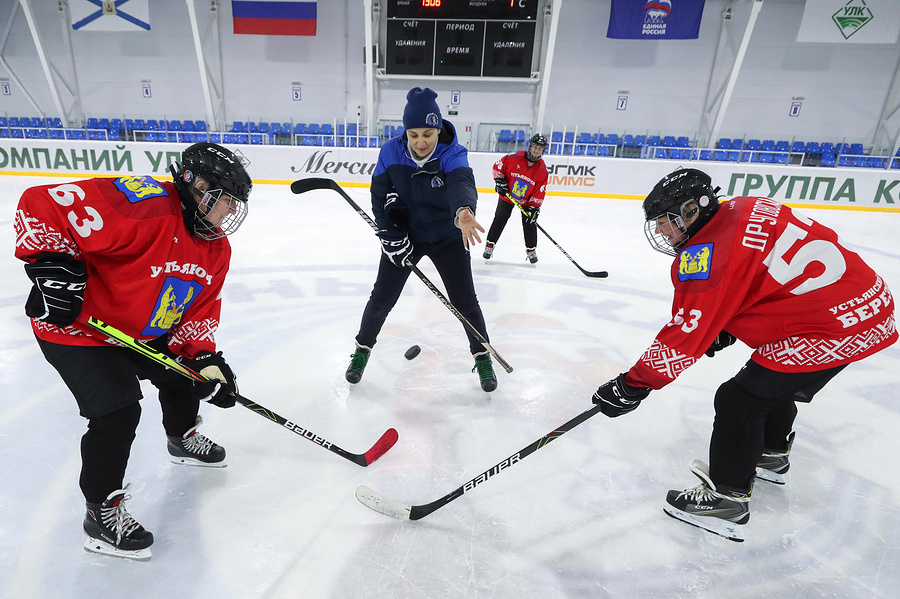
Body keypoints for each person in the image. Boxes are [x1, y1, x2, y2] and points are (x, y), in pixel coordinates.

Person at [591, 167, 896, 542]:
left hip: (832, 326)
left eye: (666, 222)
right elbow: (764, 273)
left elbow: (684, 336)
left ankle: (727, 500)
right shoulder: (743, 206)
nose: (661, 232)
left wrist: (632, 385)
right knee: (769, 381)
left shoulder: (704, 258)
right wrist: (728, 325)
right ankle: (769, 453)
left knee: (740, 400)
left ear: (692, 210)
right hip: (866, 308)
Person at [14, 142, 252, 560]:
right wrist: (52, 264)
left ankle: (182, 437)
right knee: (119, 411)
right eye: (226, 200)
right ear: (197, 186)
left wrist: (204, 359)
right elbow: (41, 203)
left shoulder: (216, 249)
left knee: (185, 375)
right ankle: (100, 513)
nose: (230, 211)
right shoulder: (143, 204)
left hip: (137, 329)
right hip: (77, 328)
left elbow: (198, 310)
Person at [345, 87, 497, 392]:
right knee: (381, 299)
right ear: (406, 132)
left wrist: (464, 212)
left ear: (438, 129)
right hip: (406, 237)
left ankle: (482, 357)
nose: (421, 141)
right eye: (413, 134)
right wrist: (389, 236)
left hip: (447, 236)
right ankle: (361, 351)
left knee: (465, 301)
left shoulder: (453, 153)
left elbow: (461, 184)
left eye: (428, 133)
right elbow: (379, 197)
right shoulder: (390, 152)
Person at [483, 134, 549, 264]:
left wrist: (534, 208)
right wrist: (500, 182)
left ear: (543, 151)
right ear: (530, 146)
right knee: (500, 217)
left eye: (540, 149)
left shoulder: (542, 169)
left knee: (529, 222)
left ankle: (531, 250)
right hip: (508, 195)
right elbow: (498, 167)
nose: (536, 151)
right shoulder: (514, 157)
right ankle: (490, 245)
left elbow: (540, 190)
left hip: (526, 200)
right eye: (535, 147)